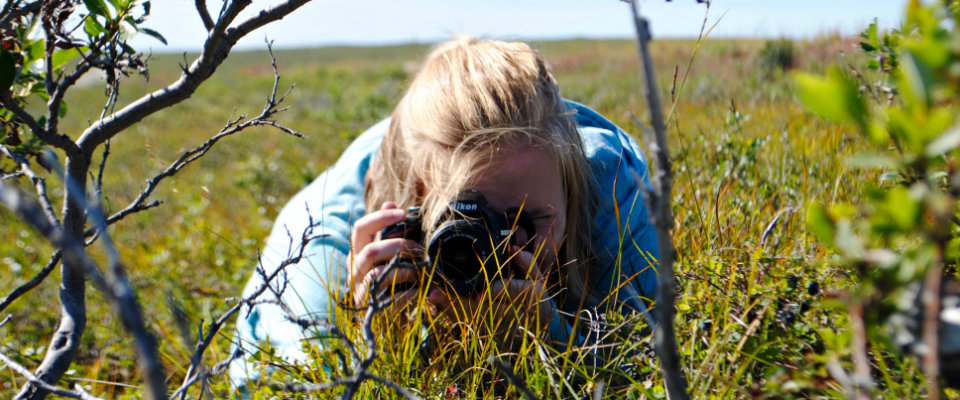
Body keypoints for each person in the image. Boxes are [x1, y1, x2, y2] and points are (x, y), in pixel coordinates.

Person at [229, 37, 659, 386]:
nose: (499, 248)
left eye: (528, 220)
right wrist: (370, 342)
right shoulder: (324, 237)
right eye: (467, 222)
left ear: (568, 191)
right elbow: (272, 382)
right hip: (390, 165)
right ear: (408, 216)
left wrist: (553, 340)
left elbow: (649, 363)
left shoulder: (608, 183)